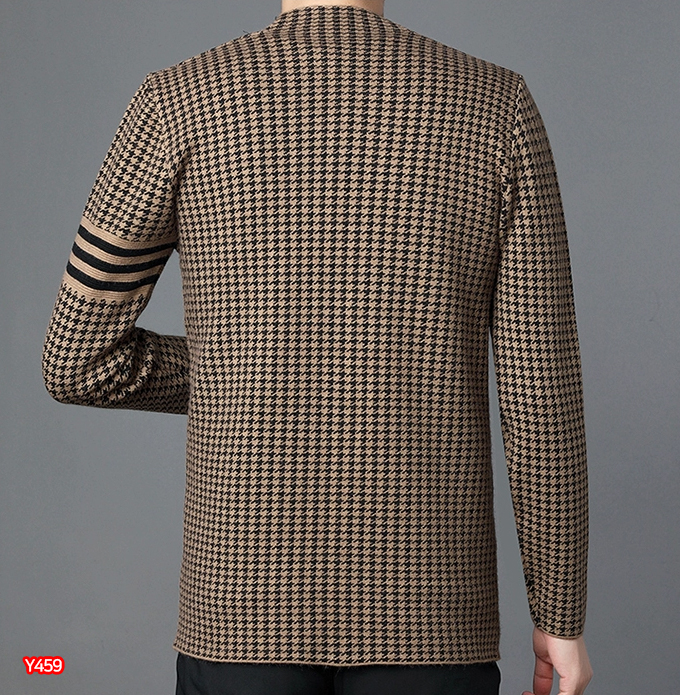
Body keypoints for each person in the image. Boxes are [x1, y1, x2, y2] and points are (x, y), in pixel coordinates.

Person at [41, 0, 593, 693]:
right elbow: (541, 398)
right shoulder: (496, 107)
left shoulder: (176, 102)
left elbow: (77, 360)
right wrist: (560, 618)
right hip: (431, 611)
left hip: (240, 604)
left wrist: (243, 367)